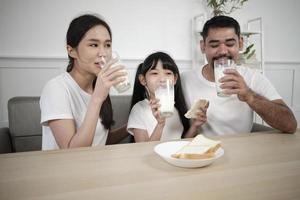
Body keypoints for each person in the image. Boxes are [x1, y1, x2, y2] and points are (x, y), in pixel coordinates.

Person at [181, 15, 297, 135]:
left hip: (241, 151)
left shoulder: (253, 78)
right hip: (203, 151)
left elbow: (290, 125)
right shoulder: (185, 80)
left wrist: (249, 96)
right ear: (203, 46)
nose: (222, 51)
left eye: (230, 44)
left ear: (240, 44)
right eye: (214, 45)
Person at [40, 14, 128, 150]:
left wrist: (132, 126)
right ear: (72, 51)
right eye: (94, 45)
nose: (103, 53)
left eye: (108, 45)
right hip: (64, 169)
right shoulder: (56, 88)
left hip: (95, 167)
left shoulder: (98, 86)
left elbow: (99, 140)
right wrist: (97, 98)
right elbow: (71, 151)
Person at [127, 52, 208, 142]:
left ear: (175, 79)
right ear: (143, 80)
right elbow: (142, 150)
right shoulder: (139, 109)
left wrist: (195, 126)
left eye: (168, 73)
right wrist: (160, 124)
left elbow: (180, 143)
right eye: (154, 73)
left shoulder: (175, 109)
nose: (162, 79)